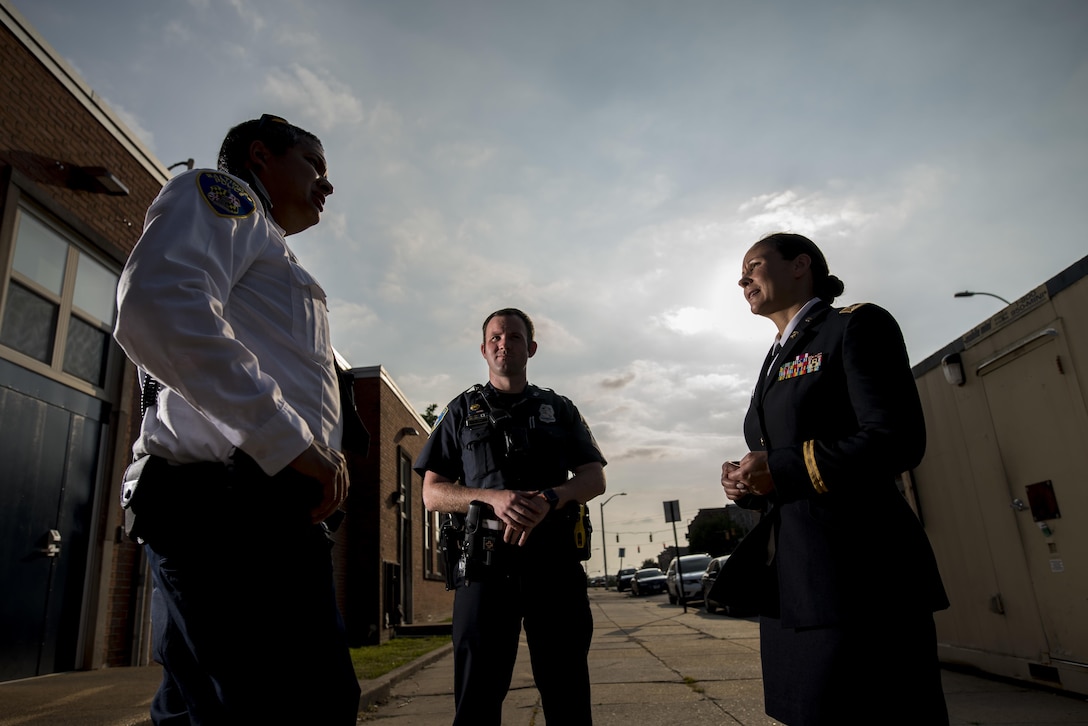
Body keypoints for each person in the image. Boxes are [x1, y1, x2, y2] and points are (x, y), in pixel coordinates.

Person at [114, 114, 365, 725]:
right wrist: (292, 443)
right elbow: (160, 304)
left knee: (203, 708)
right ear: (260, 155)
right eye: (314, 164)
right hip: (232, 518)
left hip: (242, 514)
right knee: (302, 706)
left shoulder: (267, 250)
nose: (326, 186)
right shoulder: (227, 201)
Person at [717, 233, 950, 725]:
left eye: (754, 265)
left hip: (862, 580)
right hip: (795, 587)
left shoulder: (855, 325)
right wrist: (747, 482)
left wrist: (777, 468)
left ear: (800, 265)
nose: (743, 279)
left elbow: (897, 439)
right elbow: (782, 460)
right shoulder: (776, 355)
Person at [415, 308, 607, 725]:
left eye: (515, 337)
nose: (505, 344)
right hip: (485, 571)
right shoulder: (460, 412)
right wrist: (492, 498)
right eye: (496, 338)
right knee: (477, 700)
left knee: (568, 694)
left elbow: (594, 478)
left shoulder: (559, 409)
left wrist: (552, 497)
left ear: (531, 348)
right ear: (484, 350)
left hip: (554, 567)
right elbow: (431, 493)